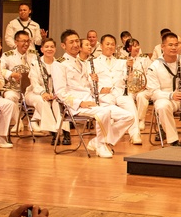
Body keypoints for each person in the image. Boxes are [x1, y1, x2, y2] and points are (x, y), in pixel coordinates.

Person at [52, 29, 135, 158]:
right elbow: (60, 92)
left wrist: (93, 82)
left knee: (129, 117)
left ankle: (98, 141)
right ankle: (101, 145)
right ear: (63, 45)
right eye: (71, 42)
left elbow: (87, 86)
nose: (75, 45)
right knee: (104, 112)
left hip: (93, 102)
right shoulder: (59, 64)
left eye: (76, 41)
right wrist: (81, 103)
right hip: (77, 105)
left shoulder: (81, 62)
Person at [93, 34, 142, 145]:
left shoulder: (121, 62)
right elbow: (89, 80)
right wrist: (100, 89)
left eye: (112, 44)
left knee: (130, 104)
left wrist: (130, 68)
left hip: (120, 93)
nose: (110, 47)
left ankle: (135, 134)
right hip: (105, 94)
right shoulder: (93, 62)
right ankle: (107, 136)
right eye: (107, 44)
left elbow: (128, 79)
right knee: (108, 110)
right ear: (101, 45)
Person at [30, 37, 67, 145]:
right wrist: (43, 93)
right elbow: (34, 83)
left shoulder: (59, 64)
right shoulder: (35, 63)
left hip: (54, 93)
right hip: (35, 93)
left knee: (58, 103)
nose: (49, 49)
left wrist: (56, 94)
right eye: (46, 47)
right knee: (43, 101)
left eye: (52, 47)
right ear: (41, 49)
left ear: (55, 49)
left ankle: (64, 131)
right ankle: (54, 132)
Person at [123, 38, 152, 133]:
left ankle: (141, 119)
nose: (137, 48)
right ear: (128, 49)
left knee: (141, 96)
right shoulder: (123, 60)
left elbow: (150, 73)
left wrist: (145, 85)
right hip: (130, 88)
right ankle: (131, 120)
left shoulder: (145, 58)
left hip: (143, 87)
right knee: (128, 98)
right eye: (134, 46)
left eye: (138, 45)